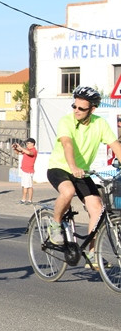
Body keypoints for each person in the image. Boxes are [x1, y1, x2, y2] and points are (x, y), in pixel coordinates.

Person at [46, 86, 121, 269]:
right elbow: (67, 144)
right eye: (74, 106)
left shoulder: (100, 124)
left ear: (92, 109)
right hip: (60, 167)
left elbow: (115, 145)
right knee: (68, 191)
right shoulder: (66, 121)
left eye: (81, 108)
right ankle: (55, 224)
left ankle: (93, 255)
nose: (76, 111)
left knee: (97, 208)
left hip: (82, 172)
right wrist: (72, 166)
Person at [13, 137, 37, 204]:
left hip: (28, 171)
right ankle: (23, 199)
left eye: (28, 143)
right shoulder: (26, 150)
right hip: (24, 170)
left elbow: (29, 153)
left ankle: (29, 200)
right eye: (26, 143)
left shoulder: (34, 150)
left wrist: (20, 147)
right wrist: (15, 148)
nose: (27, 145)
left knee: (29, 186)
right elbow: (18, 152)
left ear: (32, 144)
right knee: (24, 185)